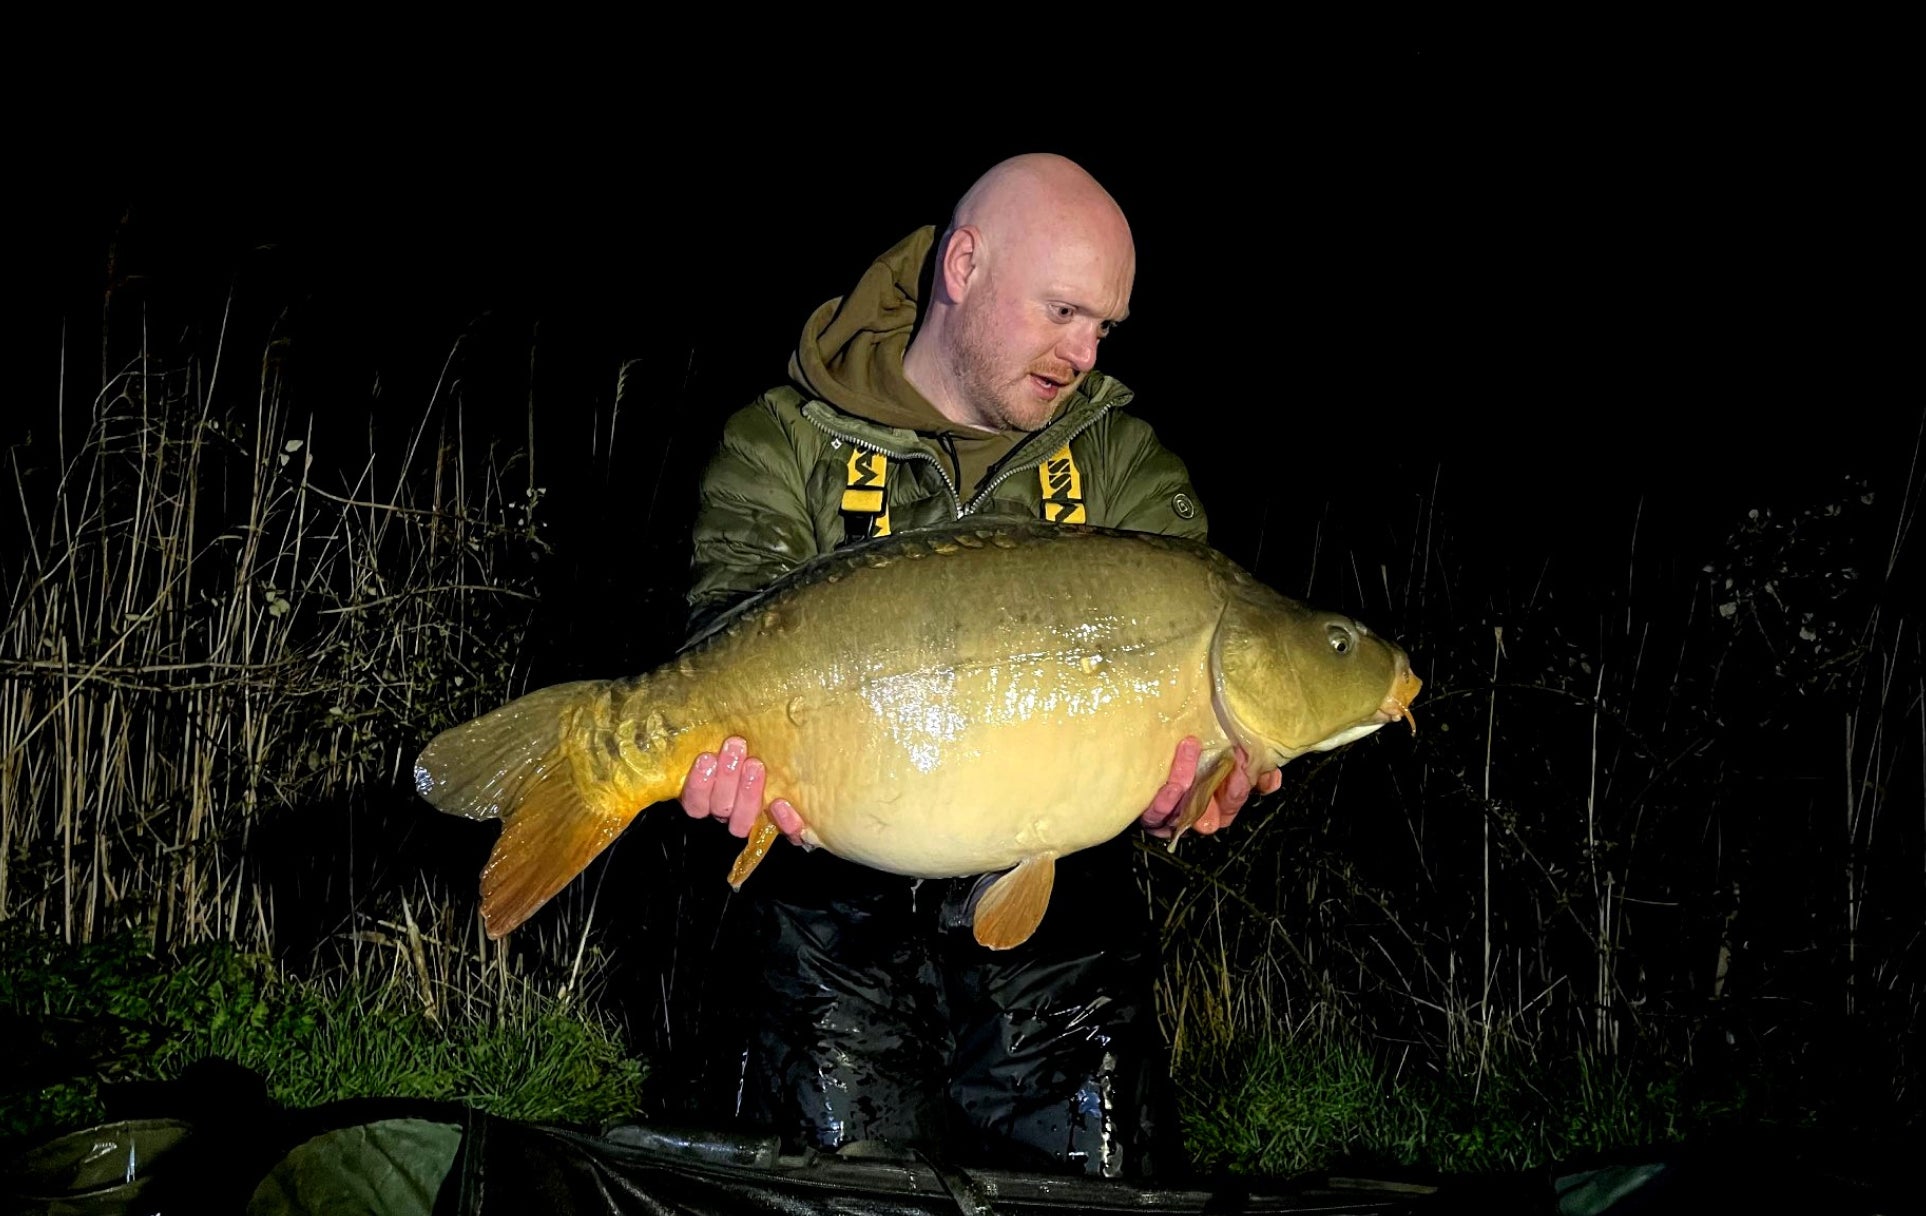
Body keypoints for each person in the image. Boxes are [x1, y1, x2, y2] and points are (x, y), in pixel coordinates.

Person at [674, 153, 1281, 1178]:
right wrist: (720, 760)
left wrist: (1201, 790)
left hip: (1059, 937)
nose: (1085, 351)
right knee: (840, 1189)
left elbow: (1195, 712)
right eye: (1063, 312)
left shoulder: (1121, 466)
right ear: (963, 263)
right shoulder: (782, 444)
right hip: (831, 914)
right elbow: (726, 640)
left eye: (1105, 326)